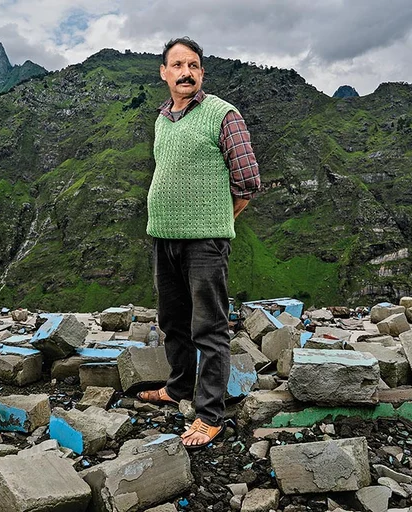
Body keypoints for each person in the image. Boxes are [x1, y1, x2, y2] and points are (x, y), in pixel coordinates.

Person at [137, 37, 261, 450]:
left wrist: (216, 220)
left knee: (209, 328)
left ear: (202, 72)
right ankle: (177, 388)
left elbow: (247, 183)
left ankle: (210, 415)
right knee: (173, 321)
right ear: (164, 72)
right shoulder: (161, 119)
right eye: (177, 65)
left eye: (193, 65)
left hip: (205, 242)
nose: (185, 72)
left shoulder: (222, 114)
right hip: (163, 238)